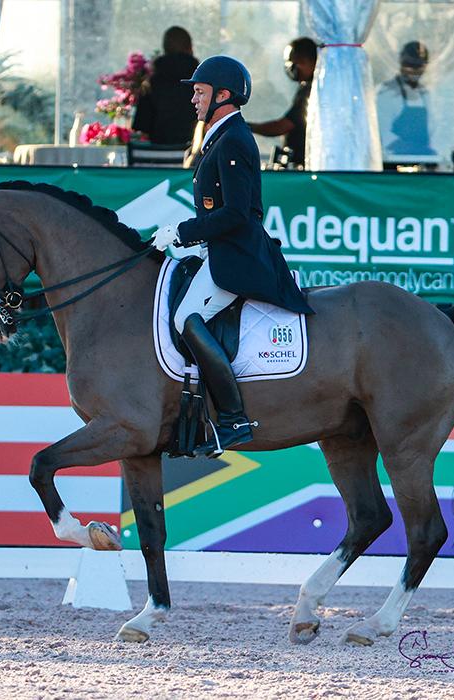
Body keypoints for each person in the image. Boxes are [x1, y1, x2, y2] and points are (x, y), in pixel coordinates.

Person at [151, 56, 314, 457]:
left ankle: (233, 419)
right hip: (219, 248)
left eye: (200, 91)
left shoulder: (235, 140)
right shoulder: (220, 137)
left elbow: (238, 213)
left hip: (238, 257)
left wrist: (184, 231)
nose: (193, 98)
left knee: (184, 318)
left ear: (223, 95)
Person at [248, 37, 317, 168]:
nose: (290, 68)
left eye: (293, 62)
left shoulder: (312, 91)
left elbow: (283, 126)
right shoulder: (305, 87)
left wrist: (248, 127)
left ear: (306, 61)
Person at [131, 26, 199, 145]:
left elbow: (140, 127)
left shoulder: (151, 84)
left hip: (158, 157)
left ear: (165, 49)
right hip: (193, 158)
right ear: (190, 48)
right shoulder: (201, 85)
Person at [376, 41, 436, 157]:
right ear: (401, 64)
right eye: (410, 65)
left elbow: (431, 129)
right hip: (393, 160)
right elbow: (382, 131)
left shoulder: (425, 94)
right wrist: (404, 147)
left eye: (419, 66)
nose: (414, 71)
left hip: (423, 161)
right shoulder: (387, 92)